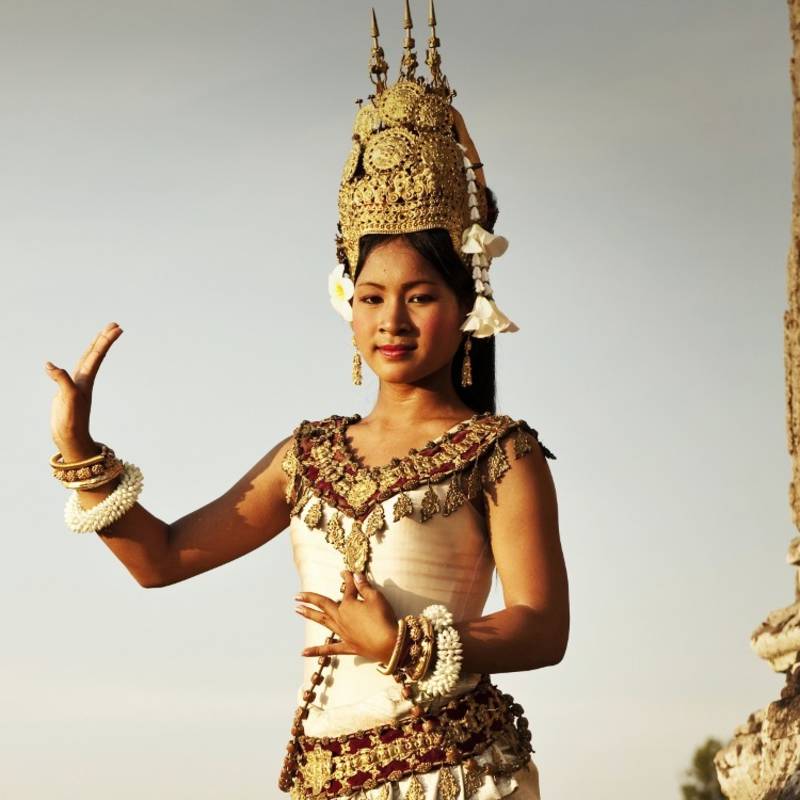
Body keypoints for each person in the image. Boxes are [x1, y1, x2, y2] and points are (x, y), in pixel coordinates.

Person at [44, 4, 569, 798]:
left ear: (467, 305)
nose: (392, 321)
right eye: (372, 297)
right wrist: (80, 452)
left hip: (452, 775)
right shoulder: (310, 454)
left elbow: (541, 627)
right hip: (322, 779)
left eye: (421, 296)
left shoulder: (500, 452)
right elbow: (163, 559)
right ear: (346, 305)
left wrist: (402, 646)